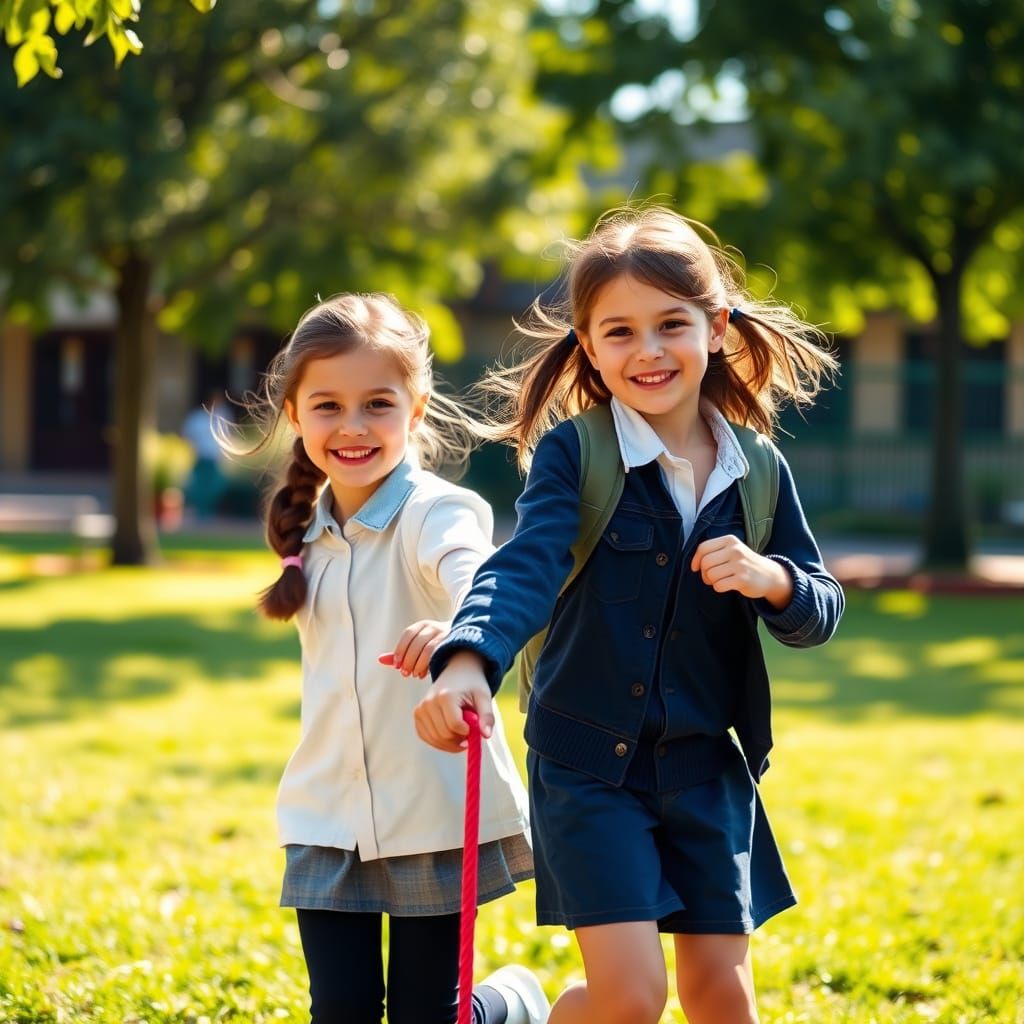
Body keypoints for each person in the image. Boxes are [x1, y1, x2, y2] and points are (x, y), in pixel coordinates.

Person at [413, 207, 845, 1024]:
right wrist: (468, 659)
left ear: (716, 328)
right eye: (619, 332)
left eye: (671, 325)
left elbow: (821, 606)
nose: (647, 351)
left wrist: (772, 580)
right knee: (632, 999)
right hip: (588, 766)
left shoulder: (758, 466)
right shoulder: (576, 453)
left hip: (708, 767)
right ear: (588, 347)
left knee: (722, 995)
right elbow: (524, 566)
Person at [239, 293, 549, 1024]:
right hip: (324, 811)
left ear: (415, 409)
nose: (352, 426)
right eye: (328, 406)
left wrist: (458, 633)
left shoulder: (436, 511)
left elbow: (477, 573)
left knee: (424, 1014)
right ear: (294, 414)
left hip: (426, 808)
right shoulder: (303, 528)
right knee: (340, 1007)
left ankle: (506, 1004)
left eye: (378, 403)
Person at [182, 389, 233, 518]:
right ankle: (200, 512)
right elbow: (188, 436)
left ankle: (208, 511)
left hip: (215, 458)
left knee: (215, 485)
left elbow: (228, 436)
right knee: (199, 486)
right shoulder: (197, 417)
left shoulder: (223, 415)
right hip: (201, 457)